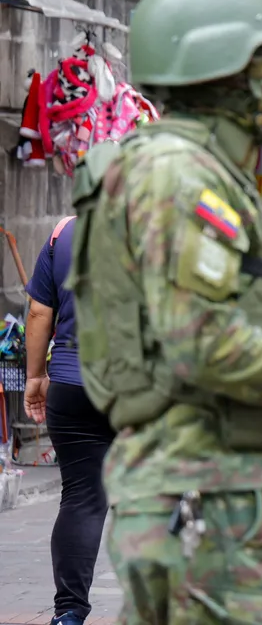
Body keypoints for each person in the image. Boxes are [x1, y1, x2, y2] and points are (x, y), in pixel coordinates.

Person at [68, 0, 262, 624]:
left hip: (218, 482)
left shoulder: (197, 169)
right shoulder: (178, 173)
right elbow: (199, 338)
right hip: (203, 490)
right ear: (218, 65)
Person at [24, 217, 116, 625]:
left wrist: (34, 377)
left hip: (72, 381)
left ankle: (70, 612)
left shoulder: (63, 232)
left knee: (82, 498)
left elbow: (39, 312)